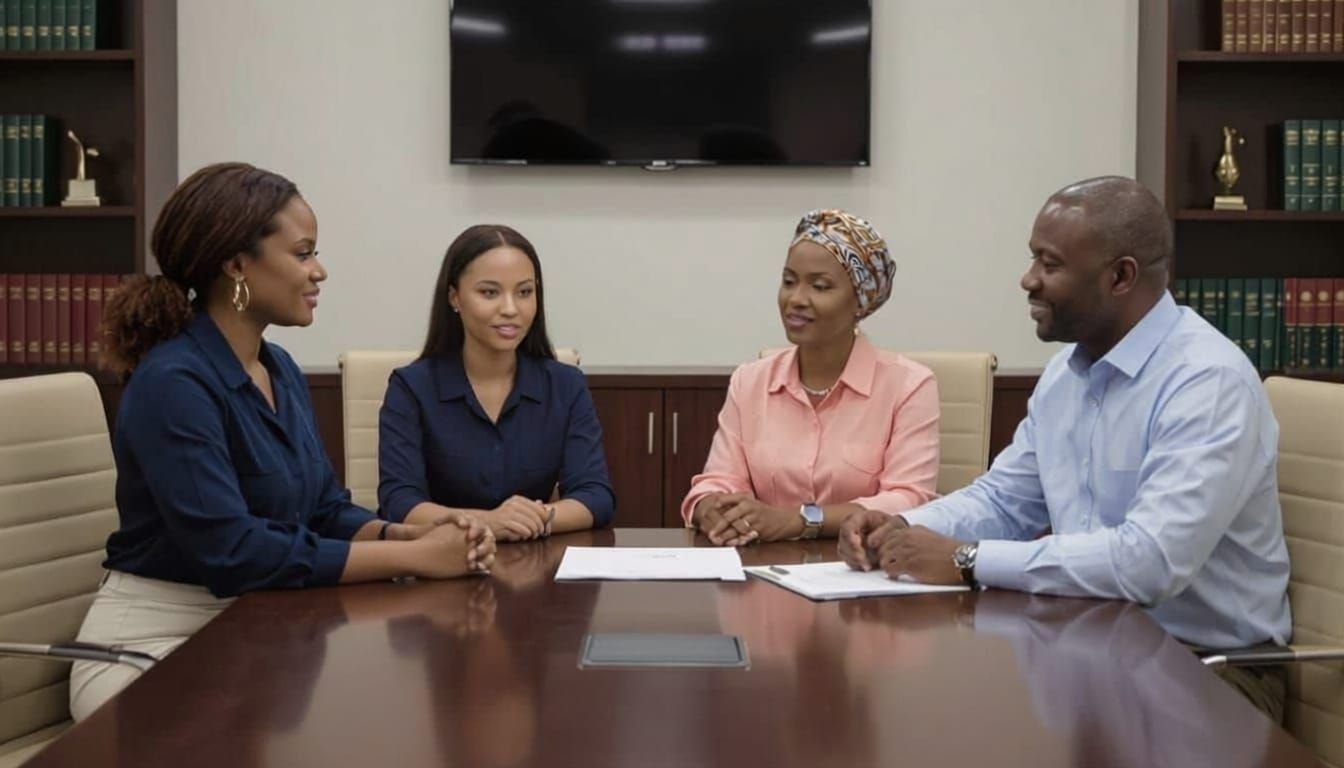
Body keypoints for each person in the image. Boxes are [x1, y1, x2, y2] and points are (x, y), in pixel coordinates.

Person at [839, 176, 1292, 720]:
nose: (1027, 280)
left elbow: (1149, 563)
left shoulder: (1206, 383)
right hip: (1095, 645)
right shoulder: (1067, 376)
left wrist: (966, 559)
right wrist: (907, 527)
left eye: (1050, 265)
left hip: (1210, 669)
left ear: (1121, 276)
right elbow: (1006, 501)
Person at [70, 163, 495, 721]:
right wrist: (414, 556)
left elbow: (322, 509)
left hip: (254, 630)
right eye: (302, 254)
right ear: (235, 263)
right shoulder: (174, 382)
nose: (319, 272)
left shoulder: (279, 369)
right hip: (147, 648)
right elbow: (234, 553)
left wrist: (410, 530)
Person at [683, 209, 940, 545]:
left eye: (819, 286)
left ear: (861, 301)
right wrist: (712, 509)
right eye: (789, 281)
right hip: (761, 569)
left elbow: (909, 500)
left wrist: (798, 520)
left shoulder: (909, 386)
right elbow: (715, 482)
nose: (796, 299)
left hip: (862, 573)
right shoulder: (750, 382)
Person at [377, 225, 614, 540]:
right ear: (454, 297)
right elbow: (400, 503)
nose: (510, 309)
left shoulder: (565, 385)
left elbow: (595, 495)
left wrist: (535, 519)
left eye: (524, 292)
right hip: (439, 565)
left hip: (534, 569)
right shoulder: (412, 387)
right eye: (489, 292)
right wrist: (488, 522)